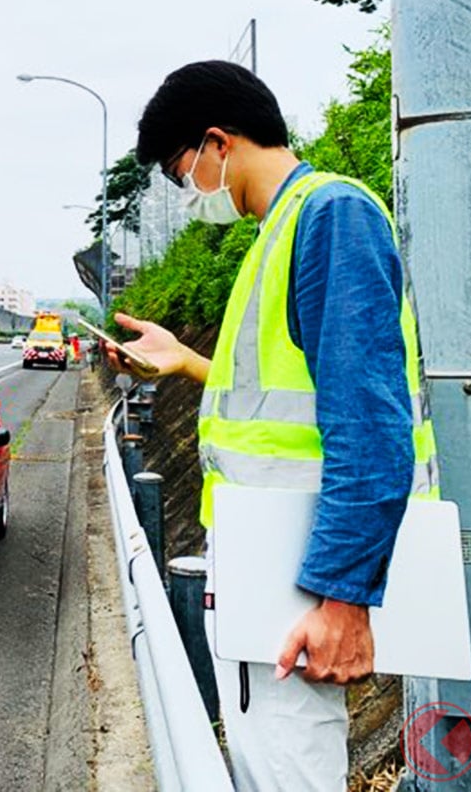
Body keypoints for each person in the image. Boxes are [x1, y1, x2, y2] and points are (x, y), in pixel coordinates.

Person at [108, 61, 439, 791]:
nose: (186, 192)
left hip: (307, 585)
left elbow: (369, 423)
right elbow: (279, 406)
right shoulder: (282, 230)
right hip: (276, 573)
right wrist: (185, 361)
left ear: (218, 143)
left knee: (289, 773)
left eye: (178, 171)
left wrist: (345, 598)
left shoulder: (330, 217)